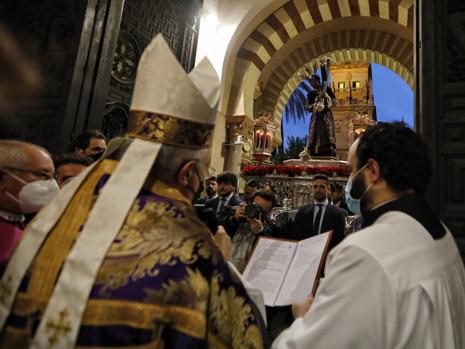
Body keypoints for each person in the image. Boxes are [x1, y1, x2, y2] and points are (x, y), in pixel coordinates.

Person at [0, 34, 268, 348]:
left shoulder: (58, 217)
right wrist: (222, 264)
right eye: (203, 168)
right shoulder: (192, 249)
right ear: (187, 175)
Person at [273, 123, 465, 349]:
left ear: (372, 171)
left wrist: (303, 317)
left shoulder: (364, 252)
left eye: (352, 171)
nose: (349, 182)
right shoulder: (440, 233)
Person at [0, 140, 58, 274]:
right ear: (2, 178)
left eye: (52, 176)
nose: (52, 184)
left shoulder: (24, 224)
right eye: (43, 175)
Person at [288, 174, 346, 249]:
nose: (318, 190)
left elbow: (339, 241)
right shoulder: (302, 212)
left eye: (321, 187)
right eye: (315, 187)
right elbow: (297, 237)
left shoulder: (339, 213)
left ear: (328, 189)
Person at [230, 189, 275, 271]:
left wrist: (260, 232)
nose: (256, 212)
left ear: (268, 212)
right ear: (249, 203)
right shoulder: (234, 213)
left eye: (262, 210)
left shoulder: (269, 228)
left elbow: (268, 253)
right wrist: (234, 220)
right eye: (255, 206)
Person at [305, 59, 337, 157]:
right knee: (314, 134)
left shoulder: (326, 89)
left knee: (327, 133)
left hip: (326, 115)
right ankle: (312, 150)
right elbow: (307, 107)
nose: (313, 84)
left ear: (318, 81)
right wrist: (315, 106)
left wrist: (326, 102)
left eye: (314, 81)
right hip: (316, 118)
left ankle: (328, 149)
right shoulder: (311, 94)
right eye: (311, 83)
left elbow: (335, 102)